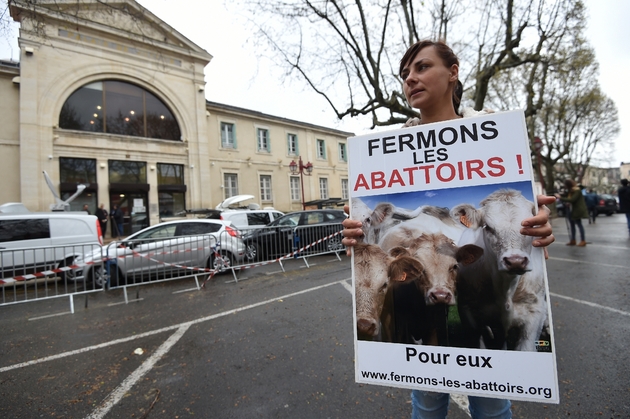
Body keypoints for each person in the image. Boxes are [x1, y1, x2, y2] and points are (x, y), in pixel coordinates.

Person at [342, 40, 556, 419]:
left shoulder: (495, 135)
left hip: (475, 305)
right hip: (425, 314)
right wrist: (358, 236)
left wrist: (537, 230)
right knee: (425, 403)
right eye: (405, 74)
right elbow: (369, 243)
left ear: (453, 71)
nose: (411, 79)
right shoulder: (387, 150)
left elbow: (524, 217)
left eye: (422, 67)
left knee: (492, 403)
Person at [555, 179, 587, 246]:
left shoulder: (577, 191)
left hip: (576, 210)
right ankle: (573, 240)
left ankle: (583, 240)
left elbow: (572, 199)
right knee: (572, 225)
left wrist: (560, 197)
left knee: (579, 225)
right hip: (571, 210)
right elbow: (567, 196)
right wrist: (562, 195)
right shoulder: (571, 191)